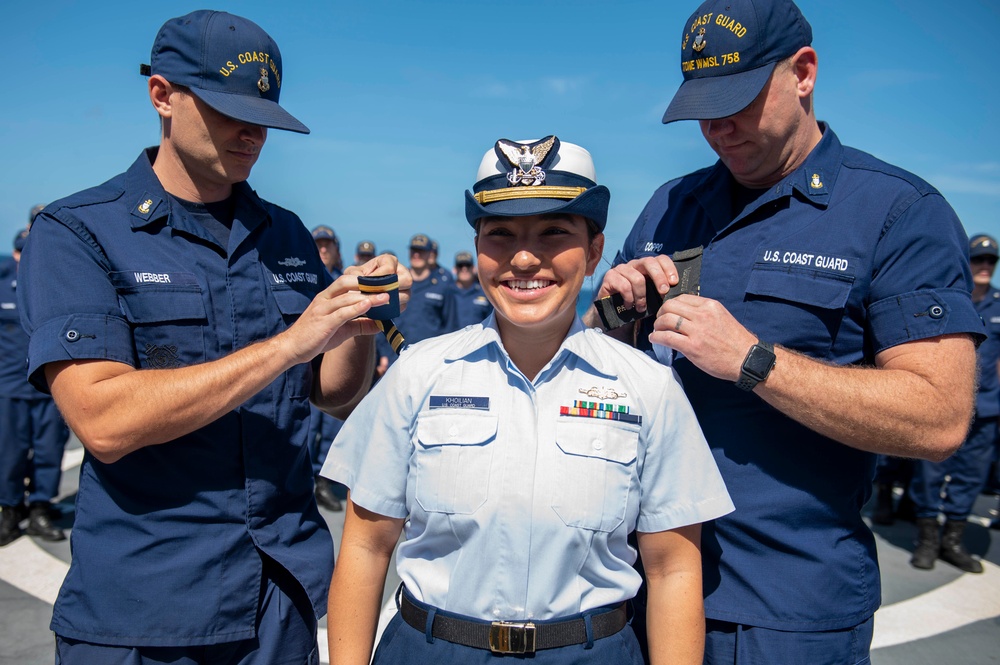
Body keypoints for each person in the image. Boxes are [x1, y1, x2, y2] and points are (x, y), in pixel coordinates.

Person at [586, 0, 983, 661]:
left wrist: (752, 360)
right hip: (638, 582)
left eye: (738, 99)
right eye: (702, 107)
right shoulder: (671, 204)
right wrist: (609, 322)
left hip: (782, 608)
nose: (717, 127)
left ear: (804, 72)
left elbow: (938, 417)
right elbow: (609, 385)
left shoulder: (895, 212)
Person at [17, 11, 409, 663]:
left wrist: (354, 321)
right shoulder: (80, 233)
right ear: (162, 95)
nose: (251, 130)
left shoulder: (283, 232)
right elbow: (104, 419)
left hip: (279, 601)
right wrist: (289, 343)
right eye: (227, 109)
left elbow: (334, 393)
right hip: (149, 614)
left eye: (263, 115)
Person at [323, 136, 733, 664]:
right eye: (501, 234)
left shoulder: (648, 388)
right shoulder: (418, 374)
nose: (522, 257)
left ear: (593, 253)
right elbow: (365, 546)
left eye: (553, 232)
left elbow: (673, 569)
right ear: (478, 250)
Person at [908, 234, 1000, 574]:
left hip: (986, 408)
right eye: (979, 260)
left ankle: (952, 540)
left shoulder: (999, 306)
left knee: (970, 477)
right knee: (930, 473)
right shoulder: (947, 299)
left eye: (991, 261)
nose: (985, 266)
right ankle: (927, 539)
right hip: (942, 404)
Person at [0, 227, 70, 546]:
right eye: (20, 252)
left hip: (50, 388)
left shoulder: (57, 284)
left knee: (49, 450)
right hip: (9, 387)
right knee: (9, 452)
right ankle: (10, 509)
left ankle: (41, 506)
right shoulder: (3, 287)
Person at [310, 225, 347, 512]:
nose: (323, 250)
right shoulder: (301, 280)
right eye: (318, 245)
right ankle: (307, 480)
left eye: (327, 246)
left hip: (333, 366)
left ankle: (323, 480)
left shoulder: (344, 283)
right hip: (305, 368)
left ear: (336, 250)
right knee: (307, 427)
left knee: (333, 425)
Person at [392, 233, 457, 347]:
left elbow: (450, 325)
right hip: (397, 352)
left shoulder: (442, 285)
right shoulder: (397, 283)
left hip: (430, 354)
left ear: (430, 255)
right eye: (413, 250)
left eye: (421, 251)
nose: (416, 255)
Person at [450, 250, 493, 328]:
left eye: (468, 265)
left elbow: (491, 319)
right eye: (460, 266)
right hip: (451, 338)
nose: (464, 269)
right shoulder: (447, 292)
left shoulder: (484, 292)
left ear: (474, 269)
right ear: (454, 270)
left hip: (478, 338)